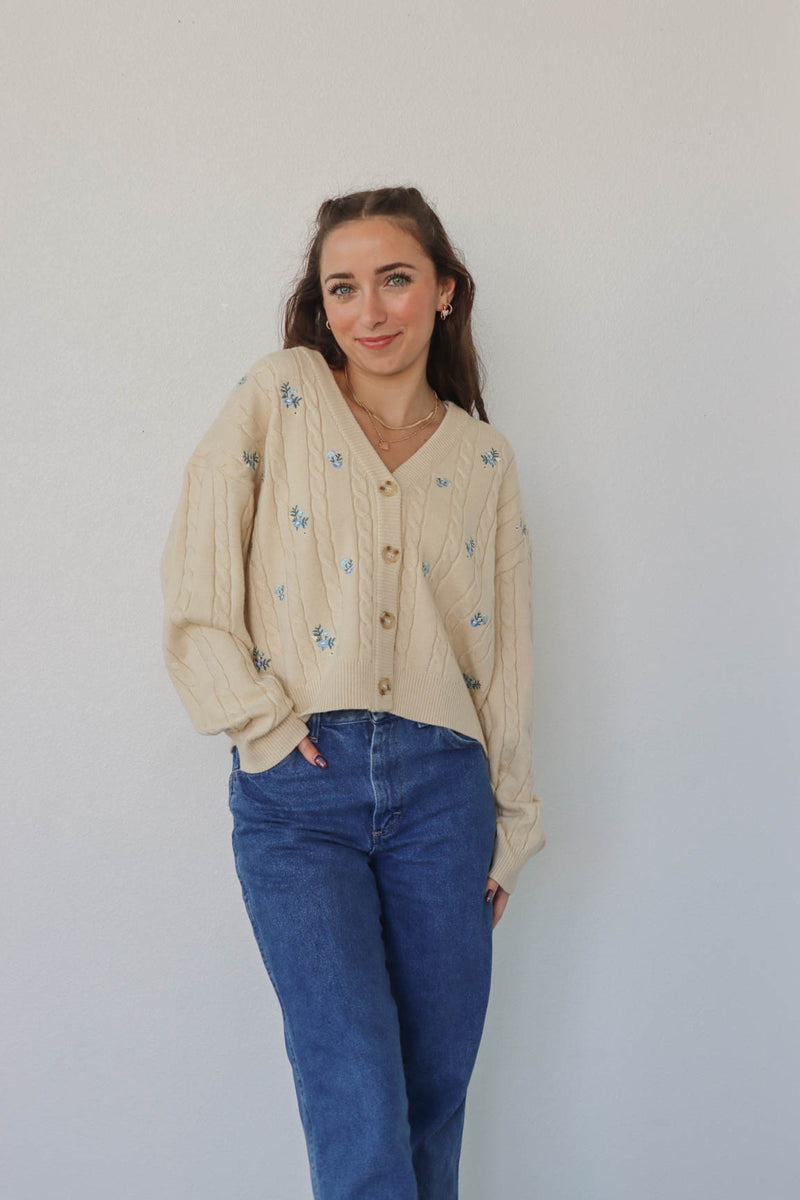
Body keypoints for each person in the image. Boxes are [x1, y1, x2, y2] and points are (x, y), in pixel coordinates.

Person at [159, 185, 545, 1199]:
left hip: (443, 798)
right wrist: (262, 728)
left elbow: (501, 658)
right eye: (343, 287)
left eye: (394, 280)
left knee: (430, 1097)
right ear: (319, 306)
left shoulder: (483, 459)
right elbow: (197, 573)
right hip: (299, 794)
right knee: (353, 1088)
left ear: (443, 293)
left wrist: (510, 823)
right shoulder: (279, 394)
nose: (369, 309)